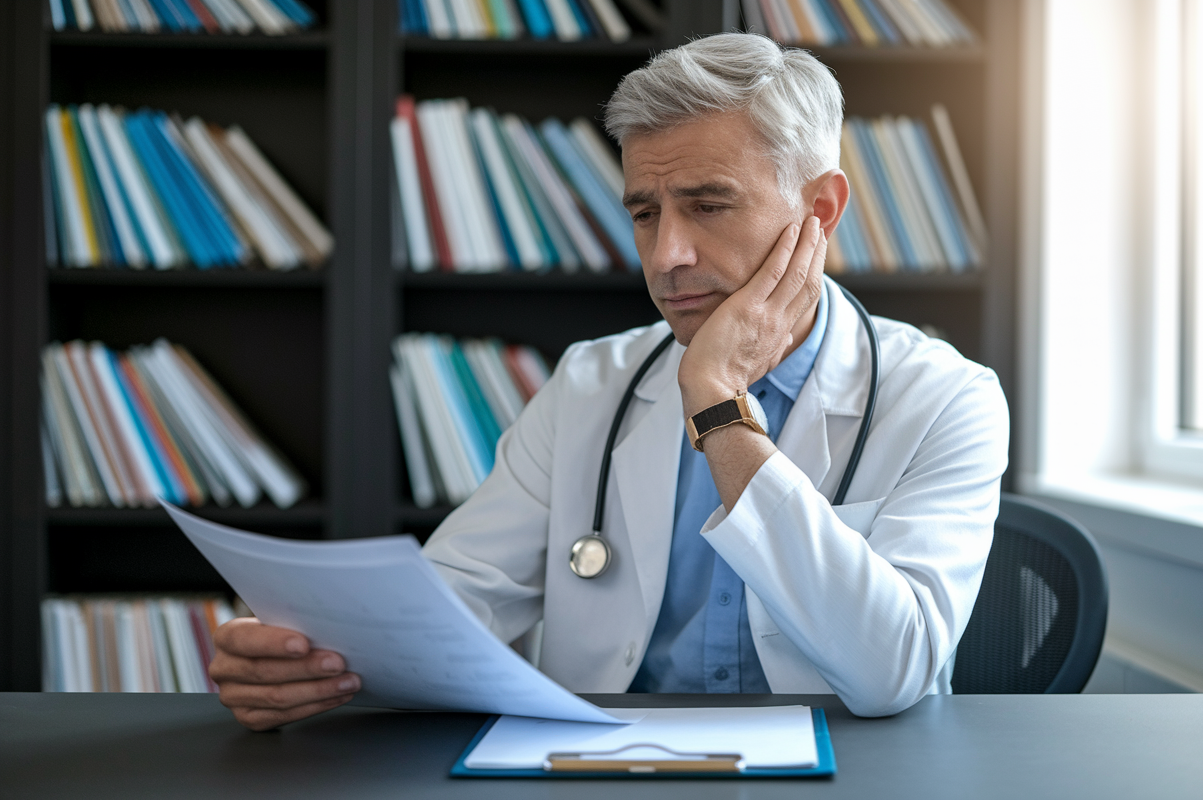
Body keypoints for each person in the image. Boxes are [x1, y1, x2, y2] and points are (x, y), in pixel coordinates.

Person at [209, 32, 1009, 732]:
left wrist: (720, 407)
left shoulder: (945, 399)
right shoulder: (593, 382)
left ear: (821, 210)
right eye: (644, 212)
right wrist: (304, 656)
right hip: (598, 769)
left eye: (708, 205)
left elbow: (892, 671)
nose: (666, 257)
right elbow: (459, 602)